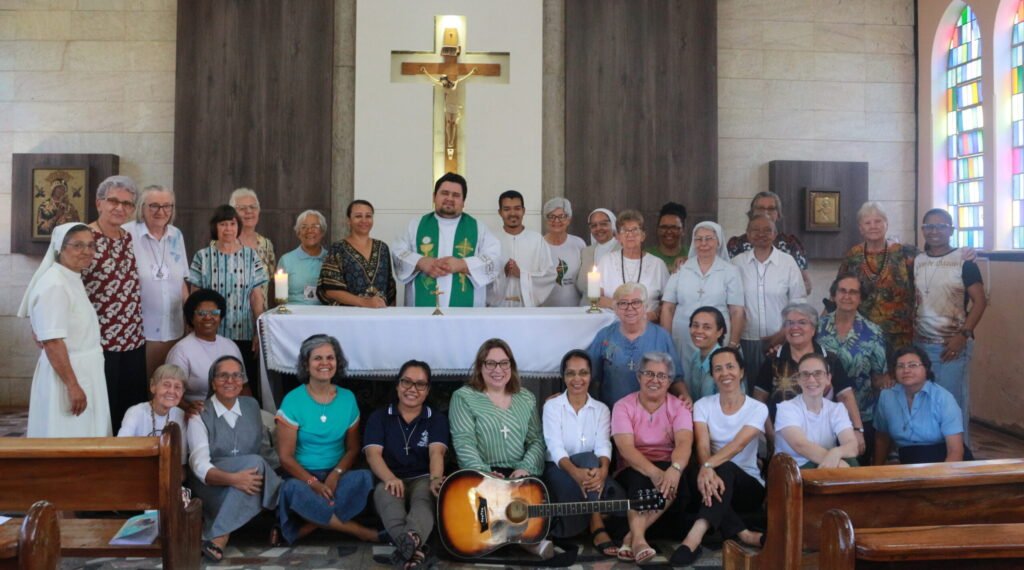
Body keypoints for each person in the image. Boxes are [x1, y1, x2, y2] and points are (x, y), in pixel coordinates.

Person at [448, 338, 550, 558]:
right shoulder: (464, 397)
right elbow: (464, 442)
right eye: (490, 363)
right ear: (480, 367)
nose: (498, 370)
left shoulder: (526, 398)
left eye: (504, 363)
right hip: (483, 473)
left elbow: (536, 440)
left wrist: (525, 468)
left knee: (538, 500)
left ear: (511, 366)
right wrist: (485, 474)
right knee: (489, 507)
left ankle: (511, 538)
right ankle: (525, 542)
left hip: (518, 474)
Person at [276, 335, 378, 545]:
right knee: (291, 490)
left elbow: (353, 448)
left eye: (330, 358)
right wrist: (313, 483)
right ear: (306, 364)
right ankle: (359, 531)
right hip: (302, 477)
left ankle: (304, 528)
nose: (325, 363)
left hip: (337, 475)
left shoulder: (348, 398)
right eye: (317, 358)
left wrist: (336, 474)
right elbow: (285, 458)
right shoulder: (293, 400)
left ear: (337, 362)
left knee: (365, 478)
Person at [673, 347, 767, 567]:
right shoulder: (703, 405)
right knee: (698, 471)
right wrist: (706, 468)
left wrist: (707, 465)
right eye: (718, 369)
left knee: (725, 467)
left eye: (730, 367)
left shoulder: (758, 408)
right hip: (710, 481)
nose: (725, 373)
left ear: (741, 371)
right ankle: (744, 534)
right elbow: (702, 445)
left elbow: (737, 446)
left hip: (748, 486)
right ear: (712, 375)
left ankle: (694, 537)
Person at [18, 222, 111, 437]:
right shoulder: (55, 284)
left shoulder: (70, 277)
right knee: (68, 435)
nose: (87, 251)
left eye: (91, 245)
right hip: (69, 375)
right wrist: (73, 386)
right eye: (78, 245)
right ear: (60, 248)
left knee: (86, 433)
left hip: (83, 369)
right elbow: (52, 342)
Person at [186, 355, 281, 562]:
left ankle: (218, 537)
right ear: (213, 382)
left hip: (248, 480)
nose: (230, 381)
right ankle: (221, 536)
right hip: (211, 485)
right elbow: (199, 465)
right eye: (223, 376)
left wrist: (276, 474)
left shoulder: (251, 406)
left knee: (257, 467)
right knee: (255, 464)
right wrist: (234, 479)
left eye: (237, 375)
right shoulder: (199, 413)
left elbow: (264, 448)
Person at [363, 360, 449, 569]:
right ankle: (414, 550)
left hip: (422, 477)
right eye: (406, 382)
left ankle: (409, 546)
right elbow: (373, 455)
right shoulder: (379, 417)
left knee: (425, 498)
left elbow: (436, 452)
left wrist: (435, 479)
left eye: (420, 384)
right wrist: (390, 478)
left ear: (427, 390)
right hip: (390, 476)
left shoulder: (436, 419)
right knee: (386, 495)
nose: (412, 389)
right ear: (397, 385)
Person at [611, 352, 693, 565]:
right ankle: (639, 540)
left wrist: (675, 469)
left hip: (667, 463)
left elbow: (684, 443)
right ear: (639, 376)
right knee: (639, 480)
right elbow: (625, 448)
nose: (655, 380)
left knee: (672, 481)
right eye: (649, 374)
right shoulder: (623, 406)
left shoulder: (679, 407)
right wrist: (655, 473)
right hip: (632, 466)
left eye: (661, 376)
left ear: (669, 381)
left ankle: (631, 538)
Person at [913, 208, 987, 443]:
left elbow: (980, 301)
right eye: (929, 226)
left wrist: (963, 335)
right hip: (921, 344)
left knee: (952, 404)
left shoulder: (964, 261)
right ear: (923, 230)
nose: (934, 231)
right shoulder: (917, 261)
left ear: (951, 230)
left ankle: (960, 455)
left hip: (951, 346)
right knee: (926, 403)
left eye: (941, 226)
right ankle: (933, 455)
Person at [81, 175, 147, 433]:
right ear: (99, 203)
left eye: (127, 203)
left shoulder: (127, 238)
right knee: (103, 408)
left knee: (130, 408)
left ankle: (129, 453)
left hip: (132, 338)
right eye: (114, 201)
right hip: (98, 341)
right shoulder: (84, 238)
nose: (120, 208)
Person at [754, 303, 865, 453]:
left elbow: (845, 396)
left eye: (802, 322)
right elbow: (759, 400)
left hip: (826, 441)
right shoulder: (773, 360)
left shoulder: (830, 360)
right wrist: (770, 434)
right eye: (789, 323)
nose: (795, 327)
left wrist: (858, 429)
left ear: (813, 329)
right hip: (786, 442)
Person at [542, 350, 622, 556]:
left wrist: (603, 471)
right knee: (588, 459)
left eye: (583, 373)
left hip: (591, 472)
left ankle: (587, 515)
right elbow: (555, 447)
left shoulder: (601, 409)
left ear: (590, 375)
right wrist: (575, 473)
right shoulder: (552, 407)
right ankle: (596, 523)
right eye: (571, 373)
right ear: (563, 377)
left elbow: (603, 445)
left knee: (621, 503)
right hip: (559, 471)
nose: (577, 379)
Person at [188, 205, 267, 403]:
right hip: (210, 333)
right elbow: (194, 297)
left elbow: (256, 297)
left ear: (238, 227)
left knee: (242, 384)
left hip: (243, 332)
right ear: (215, 227)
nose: (228, 229)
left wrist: (258, 331)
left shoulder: (251, 257)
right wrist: (192, 328)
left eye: (232, 224)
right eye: (223, 224)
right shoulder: (202, 256)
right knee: (213, 381)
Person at [392, 173, 501, 308]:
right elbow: (398, 252)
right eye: (444, 193)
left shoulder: (478, 228)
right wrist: (420, 262)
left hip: (466, 312)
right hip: (421, 310)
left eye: (456, 195)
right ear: (434, 197)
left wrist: (462, 264)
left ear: (463, 202)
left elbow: (494, 258)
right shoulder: (415, 225)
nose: (449, 198)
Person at [816, 273, 890, 464]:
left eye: (853, 292)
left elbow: (878, 378)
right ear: (834, 295)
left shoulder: (873, 332)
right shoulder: (817, 327)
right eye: (842, 291)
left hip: (861, 414)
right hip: (822, 412)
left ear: (861, 298)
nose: (847, 296)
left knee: (857, 469)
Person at [587, 282, 690, 408]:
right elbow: (590, 376)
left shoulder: (661, 337)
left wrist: (684, 395)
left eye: (636, 302)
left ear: (645, 306)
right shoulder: (605, 336)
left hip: (654, 412)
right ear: (615, 308)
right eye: (623, 303)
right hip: (613, 411)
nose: (630, 308)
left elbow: (676, 378)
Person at [124, 184, 189, 378]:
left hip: (175, 327)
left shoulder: (176, 235)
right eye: (154, 206)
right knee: (141, 384)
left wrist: (189, 318)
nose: (161, 211)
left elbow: (181, 281)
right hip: (139, 331)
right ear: (142, 207)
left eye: (167, 206)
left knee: (168, 384)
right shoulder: (126, 234)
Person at [837, 201, 918, 351]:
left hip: (900, 335)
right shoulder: (853, 255)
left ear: (886, 224)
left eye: (878, 221)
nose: (873, 226)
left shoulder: (904, 253)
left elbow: (931, 265)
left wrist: (962, 253)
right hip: (861, 333)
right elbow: (839, 290)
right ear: (861, 228)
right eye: (867, 223)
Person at [661, 221, 745, 365]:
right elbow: (667, 307)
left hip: (717, 338)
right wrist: (666, 342)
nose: (703, 243)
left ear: (718, 242)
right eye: (698, 239)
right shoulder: (681, 268)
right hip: (683, 336)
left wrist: (733, 344)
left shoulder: (730, 271)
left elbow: (737, 311)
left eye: (709, 238)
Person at [732, 214, 805, 377]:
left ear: (775, 234)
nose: (761, 234)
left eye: (767, 230)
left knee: (780, 385)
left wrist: (783, 334)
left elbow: (798, 304)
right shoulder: (736, 263)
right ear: (748, 234)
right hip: (745, 340)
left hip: (781, 339)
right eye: (755, 230)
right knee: (748, 386)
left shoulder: (788, 263)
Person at [873, 346, 969, 465]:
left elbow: (955, 451)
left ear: (926, 368)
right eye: (900, 366)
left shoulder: (943, 398)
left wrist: (942, 475)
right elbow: (882, 437)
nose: (906, 370)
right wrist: (877, 470)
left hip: (943, 460)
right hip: (909, 460)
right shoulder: (887, 396)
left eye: (913, 365)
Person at [774, 354, 859, 469]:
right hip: (793, 470)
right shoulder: (786, 408)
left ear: (828, 378)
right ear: (798, 380)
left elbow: (852, 446)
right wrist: (839, 464)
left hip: (828, 466)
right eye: (805, 374)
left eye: (818, 373)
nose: (811, 379)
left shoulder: (837, 409)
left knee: (851, 460)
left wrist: (836, 453)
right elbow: (800, 445)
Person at [166, 289, 245, 413]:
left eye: (214, 312)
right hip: (197, 412)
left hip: (231, 410)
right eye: (201, 313)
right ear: (192, 318)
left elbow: (244, 386)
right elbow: (169, 392)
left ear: (220, 317)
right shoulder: (181, 351)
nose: (208, 317)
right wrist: (188, 408)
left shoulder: (230, 345)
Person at [726, 191, 811, 294]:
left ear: (778, 214)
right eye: (760, 208)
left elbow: (806, 285)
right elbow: (725, 281)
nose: (766, 212)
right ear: (752, 213)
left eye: (771, 209)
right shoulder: (735, 244)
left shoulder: (791, 244)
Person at [318, 199, 397, 307]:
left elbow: (390, 287)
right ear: (349, 220)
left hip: (380, 314)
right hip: (349, 314)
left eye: (368, 216)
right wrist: (365, 302)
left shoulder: (382, 248)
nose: (364, 220)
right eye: (358, 216)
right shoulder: (338, 249)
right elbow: (330, 289)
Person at [596, 210, 669, 322]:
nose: (630, 234)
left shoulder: (658, 264)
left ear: (643, 236)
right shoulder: (606, 261)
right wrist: (620, 306)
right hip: (613, 324)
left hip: (647, 324)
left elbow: (668, 302)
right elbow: (596, 298)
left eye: (635, 230)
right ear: (618, 237)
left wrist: (654, 314)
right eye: (624, 230)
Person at [487, 190, 557, 307]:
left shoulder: (537, 240)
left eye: (517, 208)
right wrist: (503, 273)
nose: (512, 213)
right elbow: (481, 277)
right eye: (507, 209)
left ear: (523, 211)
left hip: (526, 308)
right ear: (500, 212)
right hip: (498, 308)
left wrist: (522, 275)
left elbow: (549, 275)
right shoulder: (491, 241)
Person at [119, 364, 188, 462]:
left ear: (182, 392)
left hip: (169, 470)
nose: (171, 391)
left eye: (177, 387)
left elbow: (181, 460)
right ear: (153, 386)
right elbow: (121, 447)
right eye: (166, 385)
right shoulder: (135, 412)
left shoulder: (181, 415)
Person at [228, 187, 275, 302]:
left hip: (261, 311)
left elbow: (272, 280)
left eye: (253, 207)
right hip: (231, 310)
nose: (249, 211)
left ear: (258, 211)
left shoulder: (266, 245)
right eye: (242, 208)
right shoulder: (222, 243)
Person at [541, 198, 587, 307]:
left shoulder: (579, 244)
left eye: (562, 216)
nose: (556, 221)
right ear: (546, 220)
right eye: (551, 216)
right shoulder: (538, 245)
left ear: (569, 220)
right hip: (544, 310)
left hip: (575, 310)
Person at [276, 210, 328, 305]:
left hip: (325, 312)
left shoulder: (331, 259)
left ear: (322, 231)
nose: (309, 230)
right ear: (298, 233)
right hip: (294, 311)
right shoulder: (286, 260)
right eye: (304, 227)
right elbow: (278, 296)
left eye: (314, 226)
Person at [574, 208, 621, 301]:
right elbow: (581, 285)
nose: (598, 228)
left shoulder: (623, 250)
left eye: (603, 224)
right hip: (585, 307)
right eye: (594, 225)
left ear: (613, 225)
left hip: (614, 307)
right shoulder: (586, 252)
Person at [686, 306, 730, 400]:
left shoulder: (726, 361)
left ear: (719, 332)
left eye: (707, 327)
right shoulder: (695, 356)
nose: (699, 331)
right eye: (695, 325)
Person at [645, 201, 688, 272]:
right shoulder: (645, 255)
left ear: (683, 230)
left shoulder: (693, 255)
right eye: (664, 227)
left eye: (674, 227)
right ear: (657, 230)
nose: (669, 231)